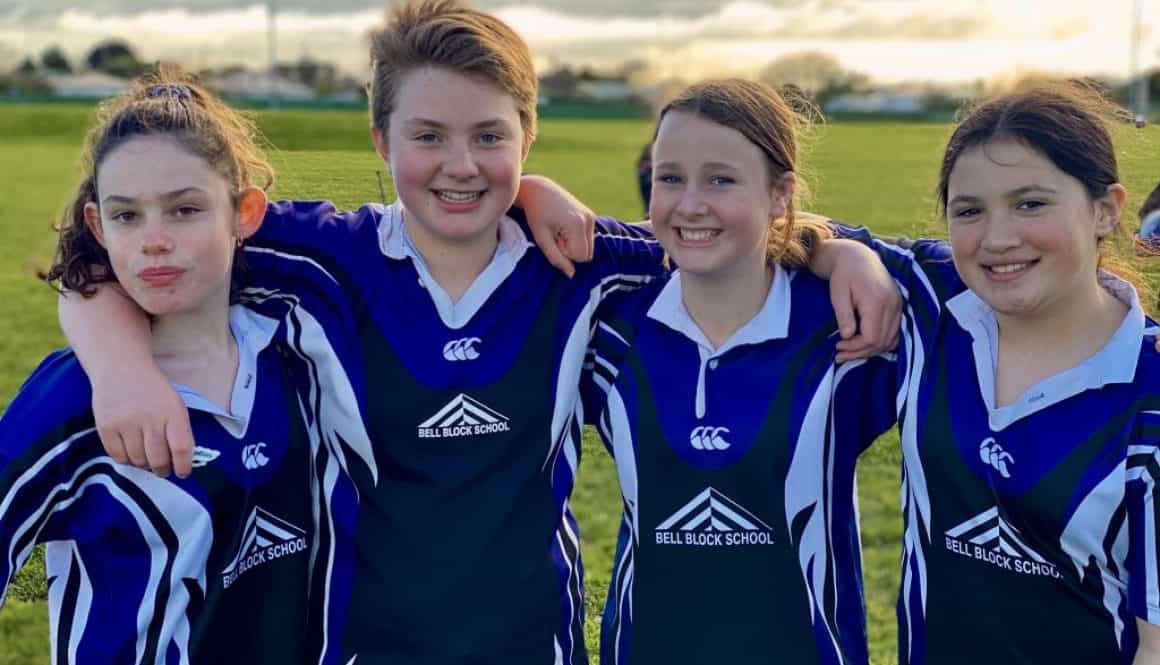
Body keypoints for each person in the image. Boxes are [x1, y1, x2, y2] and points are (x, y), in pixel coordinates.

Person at [54, 2, 899, 662]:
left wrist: (837, 250)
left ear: (526, 139)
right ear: (381, 139)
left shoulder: (581, 262)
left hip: (538, 647)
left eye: (489, 137)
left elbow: (728, 225)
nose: (460, 165)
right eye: (428, 137)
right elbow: (124, 254)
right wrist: (118, 363)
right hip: (364, 650)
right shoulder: (324, 256)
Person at [0, 69, 363, 663]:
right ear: (97, 225)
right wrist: (122, 372)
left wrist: (532, 193)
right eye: (126, 216)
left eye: (185, 210)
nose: (154, 241)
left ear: (244, 213)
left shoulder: (302, 348)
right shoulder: (75, 395)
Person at [815, 79, 1160, 664]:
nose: (998, 239)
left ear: (1106, 210)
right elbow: (771, 226)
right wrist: (846, 254)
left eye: (1031, 204)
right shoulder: (932, 300)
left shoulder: (1147, 394)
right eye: (969, 211)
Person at [582, 78, 898, 665]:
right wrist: (535, 190)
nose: (690, 202)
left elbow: (974, 270)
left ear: (781, 194)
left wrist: (849, 249)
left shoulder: (844, 321)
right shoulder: (610, 317)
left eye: (721, 179)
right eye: (669, 177)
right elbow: (513, 238)